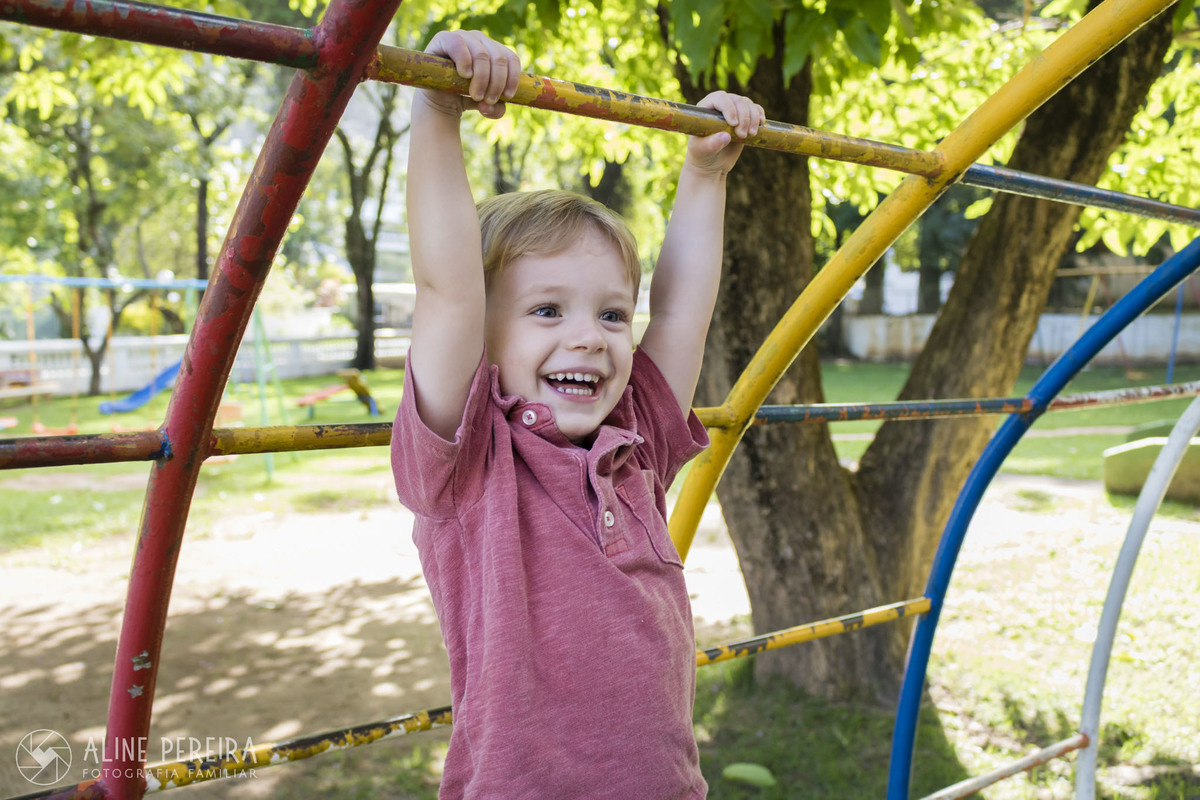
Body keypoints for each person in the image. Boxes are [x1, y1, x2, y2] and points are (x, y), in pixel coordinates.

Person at [391, 29, 764, 799]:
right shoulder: (468, 463)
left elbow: (686, 309)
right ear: (482, 340)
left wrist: (704, 172)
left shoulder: (639, 441)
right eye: (548, 309)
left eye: (611, 315)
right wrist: (435, 107)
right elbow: (448, 290)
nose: (588, 337)